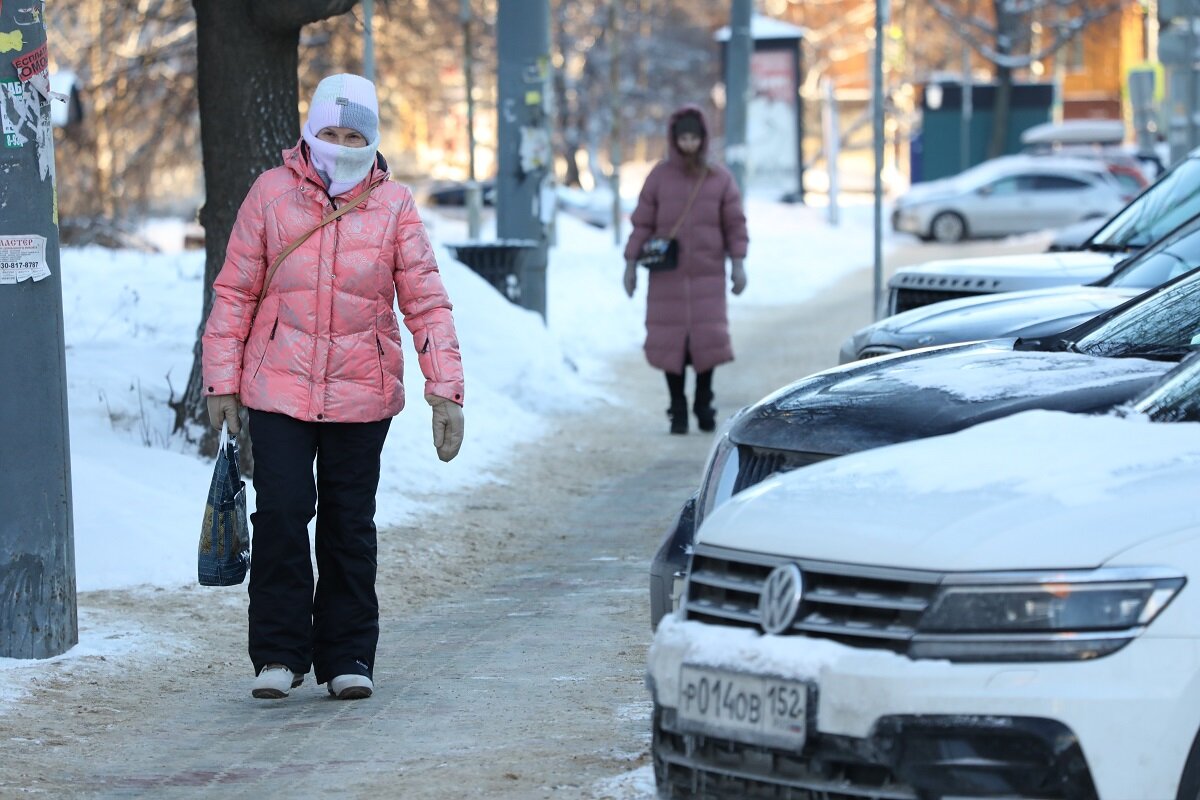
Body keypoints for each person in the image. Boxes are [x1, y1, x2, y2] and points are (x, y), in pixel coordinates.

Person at [201, 73, 465, 701]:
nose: (342, 144)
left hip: (361, 393)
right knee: (285, 516)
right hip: (280, 388)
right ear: (309, 132)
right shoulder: (270, 194)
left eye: (355, 135)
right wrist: (222, 382)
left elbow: (427, 303)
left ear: (372, 141)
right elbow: (234, 291)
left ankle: (347, 653)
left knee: (349, 523)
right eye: (330, 132)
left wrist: (445, 388)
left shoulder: (394, 206)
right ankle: (278, 655)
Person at [623, 105, 748, 435]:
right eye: (683, 138)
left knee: (708, 342)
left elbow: (735, 224)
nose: (689, 144)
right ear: (674, 140)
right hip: (668, 276)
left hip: (708, 275)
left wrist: (738, 264)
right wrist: (630, 263)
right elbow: (642, 223)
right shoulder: (659, 177)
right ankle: (677, 407)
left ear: (703, 138)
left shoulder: (719, 178)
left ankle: (703, 400)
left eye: (694, 138)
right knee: (671, 343)